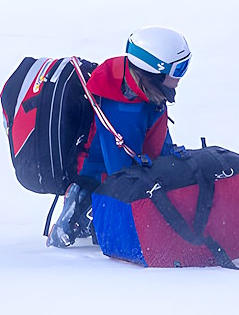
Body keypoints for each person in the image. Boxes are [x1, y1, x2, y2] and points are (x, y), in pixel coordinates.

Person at [49, 26, 191, 247]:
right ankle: (81, 207)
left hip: (122, 172)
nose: (183, 76)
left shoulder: (145, 92)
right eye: (180, 69)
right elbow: (121, 175)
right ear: (156, 72)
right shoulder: (125, 108)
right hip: (100, 180)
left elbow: (156, 141)